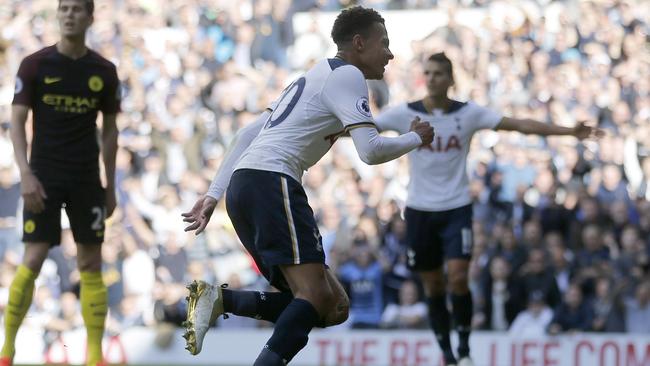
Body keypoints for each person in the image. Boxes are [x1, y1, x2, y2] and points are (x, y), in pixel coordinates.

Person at [181, 7, 434, 365]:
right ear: (359, 43)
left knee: (334, 306)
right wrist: (415, 138)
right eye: (385, 44)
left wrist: (213, 194)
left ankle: (221, 301)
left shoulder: (314, 74)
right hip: (272, 182)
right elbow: (370, 151)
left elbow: (245, 134)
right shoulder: (348, 75)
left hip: (245, 187)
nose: (390, 54)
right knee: (314, 295)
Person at [373, 52, 603, 366]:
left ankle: (465, 348)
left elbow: (520, 125)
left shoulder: (468, 114)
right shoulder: (404, 113)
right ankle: (447, 352)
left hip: (456, 208)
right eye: (427, 72)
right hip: (419, 211)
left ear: (451, 79)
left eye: (439, 73)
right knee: (434, 285)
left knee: (457, 277)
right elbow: (363, 128)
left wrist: (568, 131)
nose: (431, 78)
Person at [1, 1, 120, 366]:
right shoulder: (35, 64)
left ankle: (94, 356)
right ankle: (7, 349)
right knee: (33, 257)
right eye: (64, 8)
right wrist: (26, 174)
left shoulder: (104, 70)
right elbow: (17, 123)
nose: (69, 15)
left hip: (86, 177)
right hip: (44, 176)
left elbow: (111, 131)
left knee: (91, 263)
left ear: (90, 17)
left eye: (77, 9)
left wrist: (110, 185)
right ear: (58, 16)